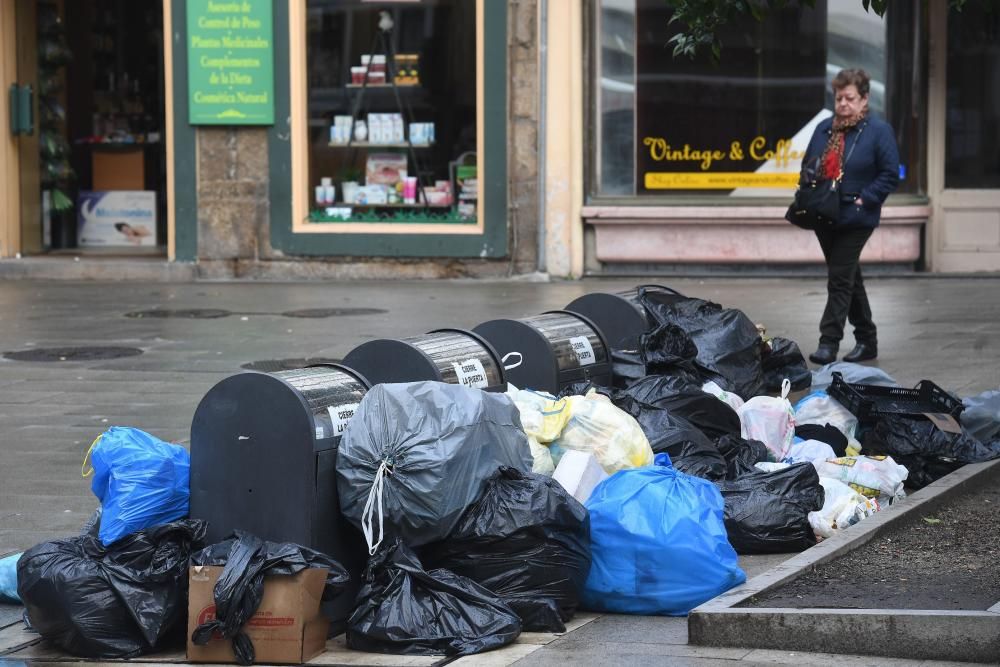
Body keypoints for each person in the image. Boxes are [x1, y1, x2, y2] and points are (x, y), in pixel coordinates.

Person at [804, 68, 900, 366]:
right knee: (848, 277)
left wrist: (865, 198)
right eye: (839, 97)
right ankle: (867, 338)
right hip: (825, 213)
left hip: (857, 216)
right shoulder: (824, 128)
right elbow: (808, 165)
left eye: (850, 98)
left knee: (839, 278)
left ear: (864, 99)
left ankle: (828, 342)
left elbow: (889, 174)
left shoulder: (877, 130)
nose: (843, 103)